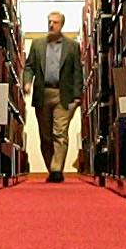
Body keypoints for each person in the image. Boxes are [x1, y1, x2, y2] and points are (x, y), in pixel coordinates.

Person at [27, 13, 82, 182]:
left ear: (62, 25)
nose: (51, 25)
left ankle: (57, 169)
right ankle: (51, 168)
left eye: (55, 22)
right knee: (45, 136)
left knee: (60, 132)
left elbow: (77, 71)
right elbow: (29, 67)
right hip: (42, 94)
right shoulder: (37, 44)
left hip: (62, 94)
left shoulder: (72, 46)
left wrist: (77, 96)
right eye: (49, 22)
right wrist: (27, 82)